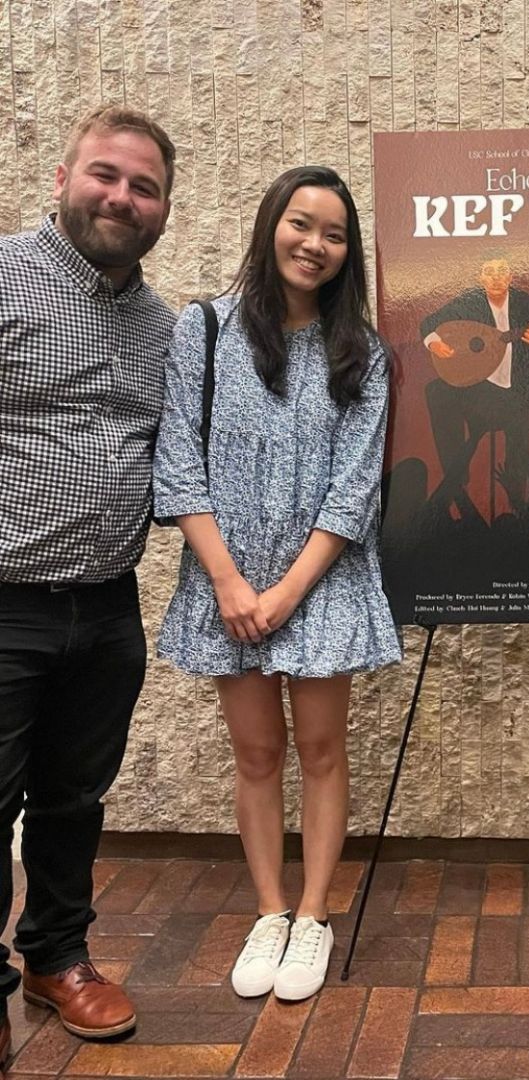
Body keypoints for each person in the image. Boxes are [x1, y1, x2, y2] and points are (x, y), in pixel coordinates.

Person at [153, 165, 401, 1002]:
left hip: (319, 579)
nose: (315, 244)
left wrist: (288, 591)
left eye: (334, 234)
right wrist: (228, 581)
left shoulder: (363, 352)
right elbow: (177, 462)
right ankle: (269, 910)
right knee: (257, 754)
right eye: (301, 223)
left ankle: (314, 916)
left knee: (323, 751)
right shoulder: (205, 330)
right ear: (270, 225)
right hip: (227, 578)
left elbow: (355, 487)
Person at [0, 106, 175, 1054]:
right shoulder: (5, 278)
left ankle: (56, 957)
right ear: (63, 176)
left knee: (73, 798)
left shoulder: (164, 327)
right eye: (106, 174)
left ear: (163, 210)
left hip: (108, 607)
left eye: (144, 187)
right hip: (6, 602)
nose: (122, 197)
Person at [420, 257, 529, 507]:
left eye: (502, 271)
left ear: (511, 276)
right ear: (480, 278)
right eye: (489, 272)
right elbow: (429, 323)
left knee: (518, 451)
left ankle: (517, 503)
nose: (495, 278)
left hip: (515, 394)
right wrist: (434, 342)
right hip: (478, 391)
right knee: (436, 391)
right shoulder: (469, 301)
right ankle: (456, 480)